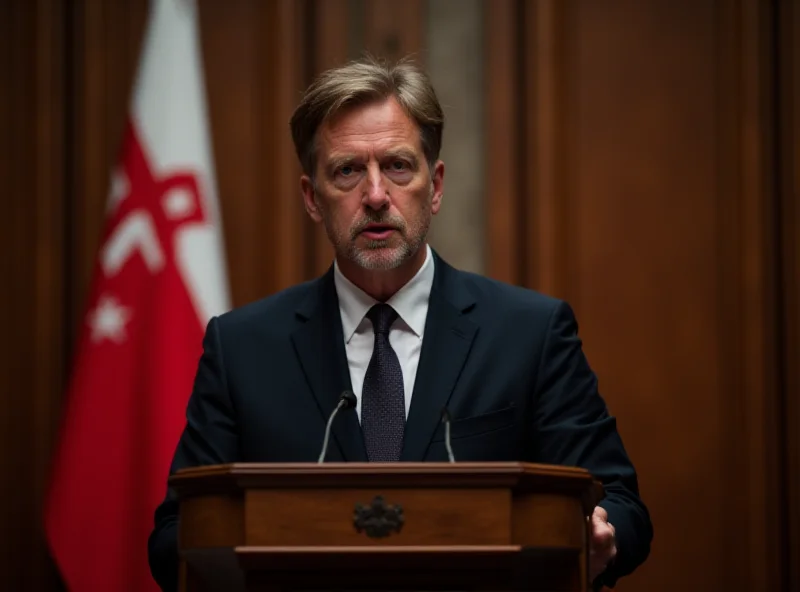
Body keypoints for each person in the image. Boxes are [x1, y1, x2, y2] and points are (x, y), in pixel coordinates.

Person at [148, 55, 652, 591]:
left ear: (434, 186)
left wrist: (604, 534)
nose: (375, 196)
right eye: (346, 171)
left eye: (397, 166)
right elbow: (174, 534)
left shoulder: (530, 333)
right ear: (311, 197)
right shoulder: (243, 347)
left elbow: (620, 502)